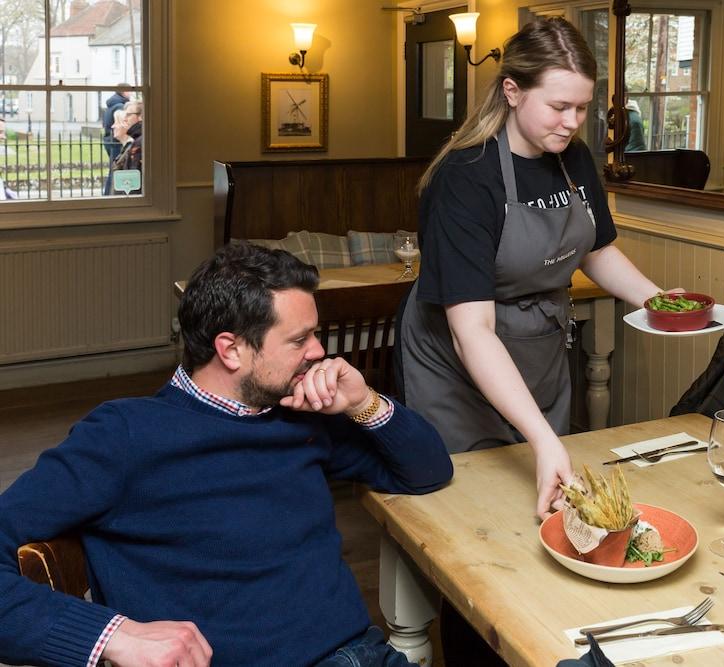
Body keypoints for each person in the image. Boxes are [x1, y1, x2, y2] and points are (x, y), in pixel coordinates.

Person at [0, 242, 453, 666]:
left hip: (359, 653)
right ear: (231, 350)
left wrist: (363, 403)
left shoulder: (302, 415)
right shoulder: (125, 435)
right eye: (300, 339)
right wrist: (115, 635)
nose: (319, 351)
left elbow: (428, 471)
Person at [397, 17, 679, 521]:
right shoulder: (465, 177)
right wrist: (544, 439)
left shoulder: (575, 160)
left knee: (543, 506)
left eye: (582, 107)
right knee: (472, 513)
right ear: (512, 91)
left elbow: (597, 250)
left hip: (539, 352)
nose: (572, 122)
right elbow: (473, 332)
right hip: (458, 369)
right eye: (558, 106)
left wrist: (660, 302)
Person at [102, 85, 131, 195]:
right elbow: (121, 123)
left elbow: (105, 124)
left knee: (113, 168)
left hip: (108, 139)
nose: (131, 94)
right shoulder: (119, 106)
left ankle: (108, 194)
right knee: (116, 169)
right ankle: (110, 194)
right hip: (116, 141)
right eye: (129, 91)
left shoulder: (111, 105)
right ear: (124, 92)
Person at [111, 100, 143, 192]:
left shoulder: (140, 142)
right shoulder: (137, 140)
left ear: (140, 116)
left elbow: (135, 179)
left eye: (128, 115)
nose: (125, 119)